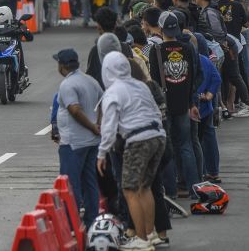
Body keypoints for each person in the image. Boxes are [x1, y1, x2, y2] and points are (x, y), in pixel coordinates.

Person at [97, 51, 167, 250]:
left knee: (129, 190)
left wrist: (102, 153)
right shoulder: (141, 85)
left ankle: (141, 239)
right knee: (145, 187)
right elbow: (155, 110)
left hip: (137, 140)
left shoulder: (113, 92)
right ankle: (151, 233)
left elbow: (109, 128)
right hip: (158, 136)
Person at [148, 11, 201, 199]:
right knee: (186, 146)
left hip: (165, 106)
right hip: (184, 104)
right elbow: (193, 76)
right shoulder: (187, 48)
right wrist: (192, 102)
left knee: (167, 147)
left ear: (161, 29)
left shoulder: (156, 51)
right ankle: (195, 188)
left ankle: (171, 192)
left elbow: (154, 81)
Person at [53, 48, 102, 229]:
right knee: (90, 183)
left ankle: (71, 224)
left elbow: (74, 110)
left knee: (71, 186)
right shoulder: (91, 81)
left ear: (63, 66)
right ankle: (91, 221)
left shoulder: (67, 85)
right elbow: (102, 102)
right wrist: (99, 124)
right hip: (92, 143)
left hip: (73, 143)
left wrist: (92, 126)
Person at [193, 33, 223, 184]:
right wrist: (210, 95)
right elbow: (217, 78)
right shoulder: (204, 59)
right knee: (209, 137)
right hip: (207, 106)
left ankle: (202, 172)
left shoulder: (192, 61)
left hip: (195, 107)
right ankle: (213, 172)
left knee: (196, 141)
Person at [0, 5, 33, 84]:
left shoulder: (16, 23)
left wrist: (25, 30)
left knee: (18, 43)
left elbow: (30, 37)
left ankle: (21, 71)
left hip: (11, 47)